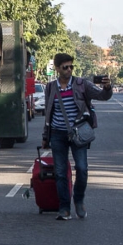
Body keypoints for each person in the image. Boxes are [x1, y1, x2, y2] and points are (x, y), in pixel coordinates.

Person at [41, 53, 113, 221]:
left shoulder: (81, 84)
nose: (69, 70)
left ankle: (79, 200)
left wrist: (107, 88)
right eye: (65, 67)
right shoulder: (50, 87)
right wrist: (45, 136)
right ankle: (64, 208)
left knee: (82, 168)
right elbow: (48, 114)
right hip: (57, 134)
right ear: (57, 68)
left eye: (71, 66)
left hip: (78, 134)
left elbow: (102, 96)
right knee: (60, 172)